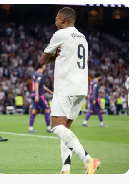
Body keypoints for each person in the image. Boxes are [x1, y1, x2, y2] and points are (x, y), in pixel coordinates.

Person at [39, 7, 101, 174]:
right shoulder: (82, 37)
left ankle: (88, 159)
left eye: (56, 18)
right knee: (66, 129)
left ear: (62, 20)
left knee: (56, 127)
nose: (55, 21)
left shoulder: (60, 34)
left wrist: (52, 56)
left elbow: (42, 61)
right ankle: (66, 169)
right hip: (81, 87)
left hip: (65, 87)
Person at [28, 64, 53, 133]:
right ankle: (48, 128)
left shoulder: (35, 73)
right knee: (47, 110)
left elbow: (42, 86)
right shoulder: (40, 74)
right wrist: (37, 95)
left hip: (33, 94)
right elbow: (36, 84)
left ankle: (30, 128)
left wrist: (50, 92)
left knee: (34, 111)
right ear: (42, 66)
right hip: (39, 95)